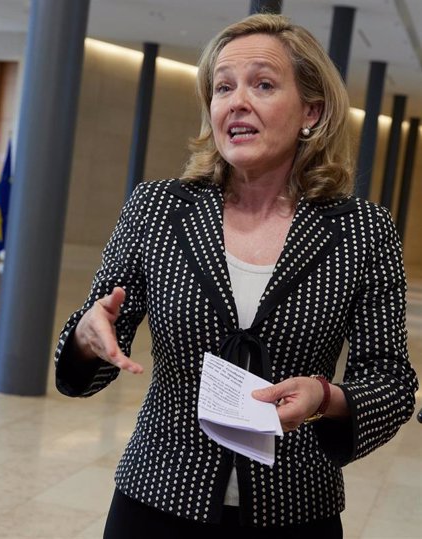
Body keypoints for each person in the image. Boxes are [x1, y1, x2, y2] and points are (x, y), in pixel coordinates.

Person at [53, 13, 418, 539]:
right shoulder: (157, 210)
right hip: (158, 497)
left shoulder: (363, 231)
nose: (236, 101)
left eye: (263, 85)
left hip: (295, 508)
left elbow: (390, 382)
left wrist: (325, 395)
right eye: (222, 87)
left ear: (311, 111)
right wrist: (88, 338)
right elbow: (91, 345)